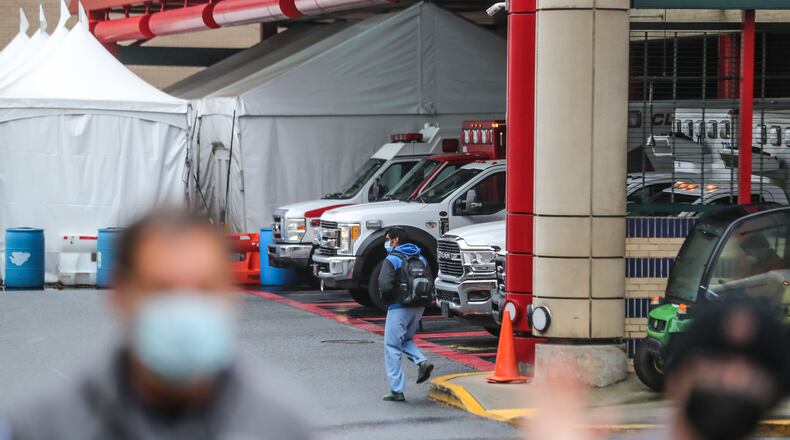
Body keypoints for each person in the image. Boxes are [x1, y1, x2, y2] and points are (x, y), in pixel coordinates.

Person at [7, 209, 313, 440]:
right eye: (162, 289)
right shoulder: (42, 427)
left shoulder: (281, 427)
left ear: (230, 299)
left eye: (203, 289)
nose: (184, 309)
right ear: (121, 297)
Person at [378, 227, 434, 402]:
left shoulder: (392, 259)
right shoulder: (421, 258)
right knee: (406, 340)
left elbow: (384, 285)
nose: (386, 243)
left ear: (395, 240)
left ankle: (396, 390)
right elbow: (430, 280)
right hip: (418, 306)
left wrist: (387, 300)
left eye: (388, 239)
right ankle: (422, 361)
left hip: (399, 306)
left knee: (392, 346)